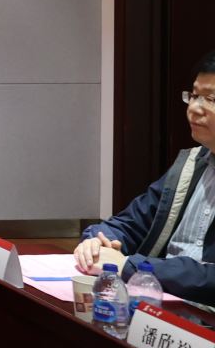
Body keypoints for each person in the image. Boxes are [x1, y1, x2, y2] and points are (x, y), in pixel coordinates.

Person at [74, 48, 215, 304]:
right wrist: (98, 242)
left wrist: (130, 266)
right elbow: (130, 223)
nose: (194, 108)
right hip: (164, 308)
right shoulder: (191, 165)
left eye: (211, 99)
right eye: (194, 96)